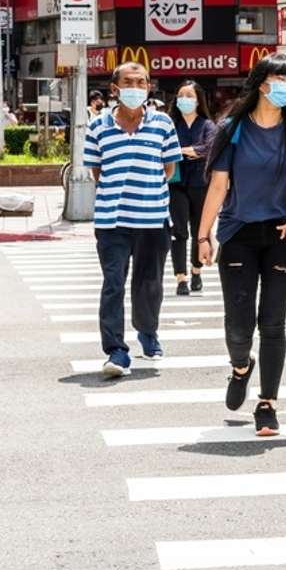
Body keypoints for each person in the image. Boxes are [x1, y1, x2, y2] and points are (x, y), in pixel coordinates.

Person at [198, 56, 286, 437]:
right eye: (280, 78)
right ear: (261, 83)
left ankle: (267, 404)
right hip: (238, 234)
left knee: (272, 322)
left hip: (283, 236)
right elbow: (218, 187)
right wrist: (203, 236)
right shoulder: (233, 129)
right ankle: (241, 366)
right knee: (239, 326)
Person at [84, 61, 182, 377]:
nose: (136, 89)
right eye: (129, 82)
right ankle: (116, 350)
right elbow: (96, 171)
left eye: (142, 83)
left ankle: (147, 330)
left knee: (149, 284)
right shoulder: (98, 126)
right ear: (115, 89)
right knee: (113, 283)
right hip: (112, 221)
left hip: (153, 219)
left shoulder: (163, 124)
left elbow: (169, 169)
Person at [168, 82, 218, 296]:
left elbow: (208, 148)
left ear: (198, 100)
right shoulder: (171, 124)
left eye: (189, 95)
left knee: (200, 230)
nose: (184, 100)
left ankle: (196, 271)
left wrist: (180, 150)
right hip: (176, 184)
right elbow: (164, 148)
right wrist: (190, 152)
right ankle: (181, 278)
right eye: (180, 95)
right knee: (178, 231)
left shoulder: (207, 125)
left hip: (201, 184)